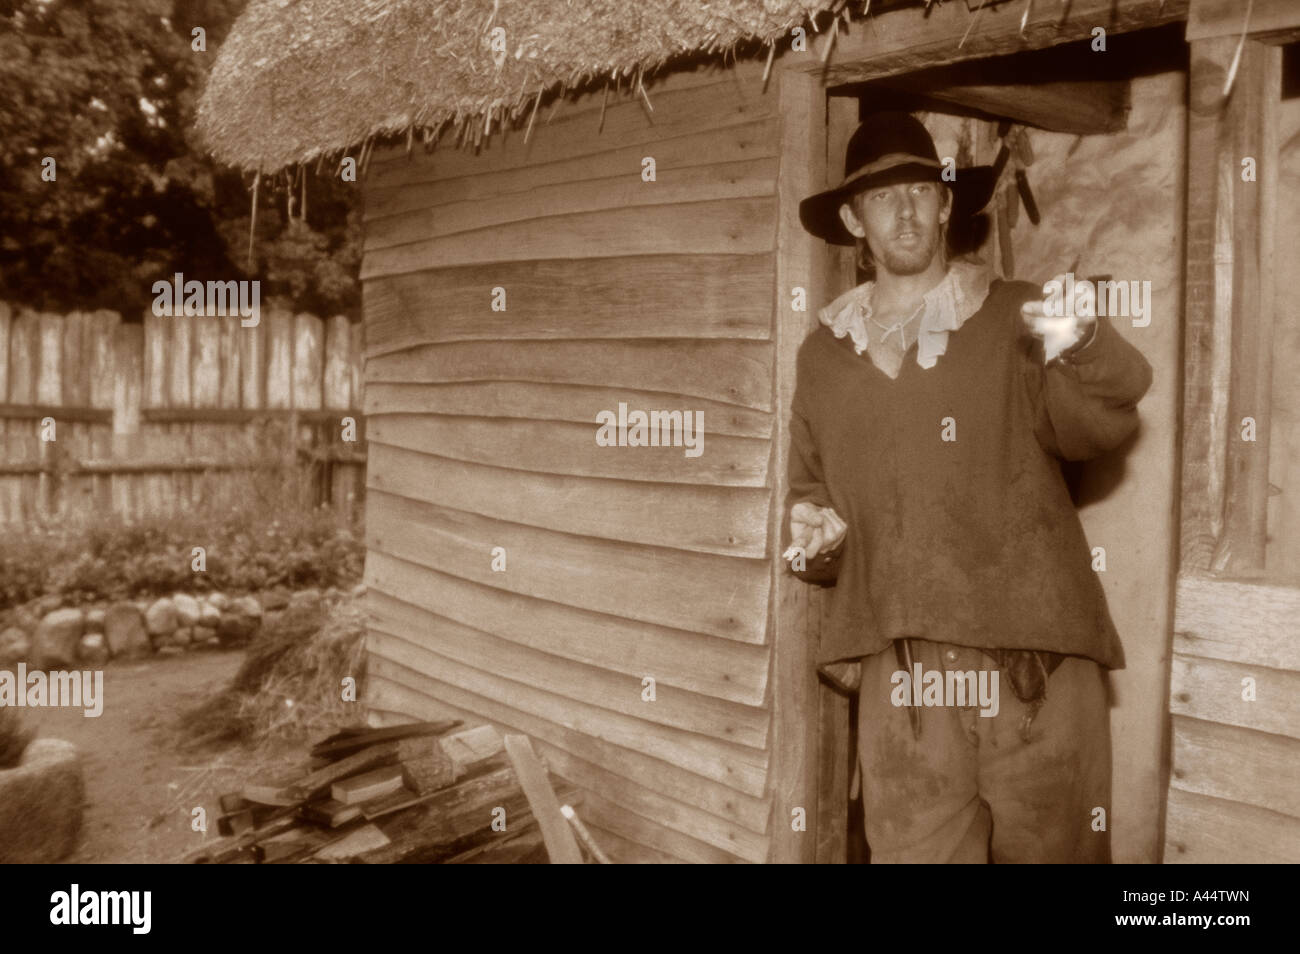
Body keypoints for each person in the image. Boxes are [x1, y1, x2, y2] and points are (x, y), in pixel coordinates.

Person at [785, 111, 1153, 863]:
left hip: (1036, 673)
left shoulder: (1015, 316)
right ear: (854, 219)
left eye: (921, 190)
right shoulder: (822, 358)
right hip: (904, 682)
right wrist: (814, 537)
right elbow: (810, 497)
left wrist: (1080, 338)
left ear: (948, 204)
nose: (907, 210)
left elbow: (1108, 417)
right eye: (882, 198)